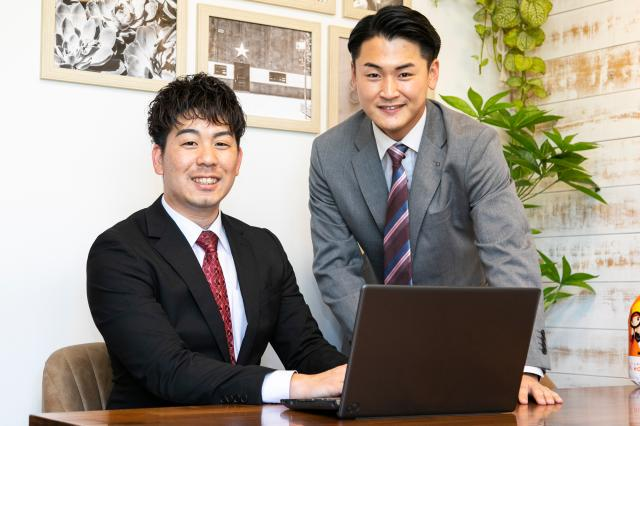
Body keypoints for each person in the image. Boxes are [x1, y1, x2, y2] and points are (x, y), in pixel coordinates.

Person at [308, 6, 562, 405]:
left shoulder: (474, 144)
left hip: (471, 344)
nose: (388, 91)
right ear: (353, 77)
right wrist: (390, 343)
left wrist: (526, 364)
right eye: (373, 75)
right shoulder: (329, 154)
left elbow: (509, 253)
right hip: (380, 348)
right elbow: (334, 265)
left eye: (404, 74)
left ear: (432, 74)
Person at [87, 73, 347, 409]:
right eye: (190, 143)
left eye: (222, 143)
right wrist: (297, 384)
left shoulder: (263, 247)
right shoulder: (119, 252)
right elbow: (169, 370)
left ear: (238, 160)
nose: (208, 158)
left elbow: (306, 349)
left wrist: (363, 378)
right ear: (158, 158)